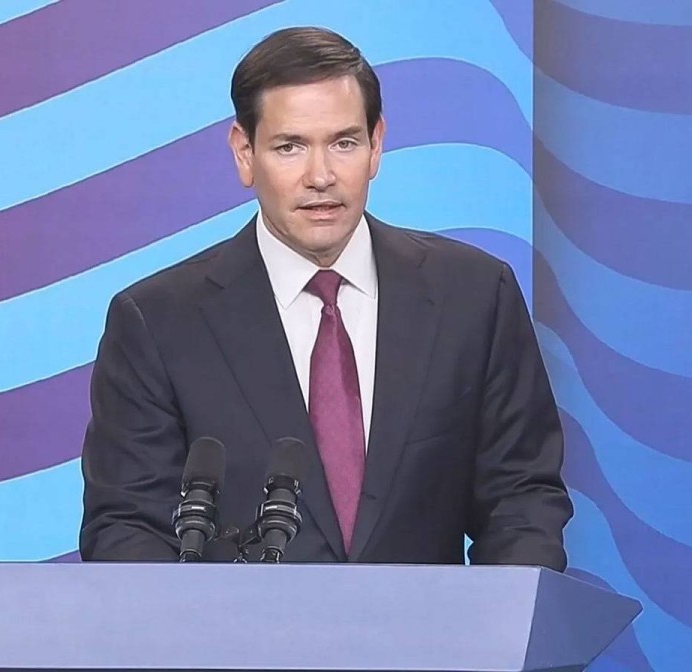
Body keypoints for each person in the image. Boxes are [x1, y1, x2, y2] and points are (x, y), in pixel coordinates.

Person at [79, 27, 572, 568]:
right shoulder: (158, 322)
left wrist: (499, 618)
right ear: (244, 153)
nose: (321, 176)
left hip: (431, 626)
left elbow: (522, 500)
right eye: (289, 147)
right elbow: (128, 527)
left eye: (344, 143)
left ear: (377, 144)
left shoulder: (474, 296)